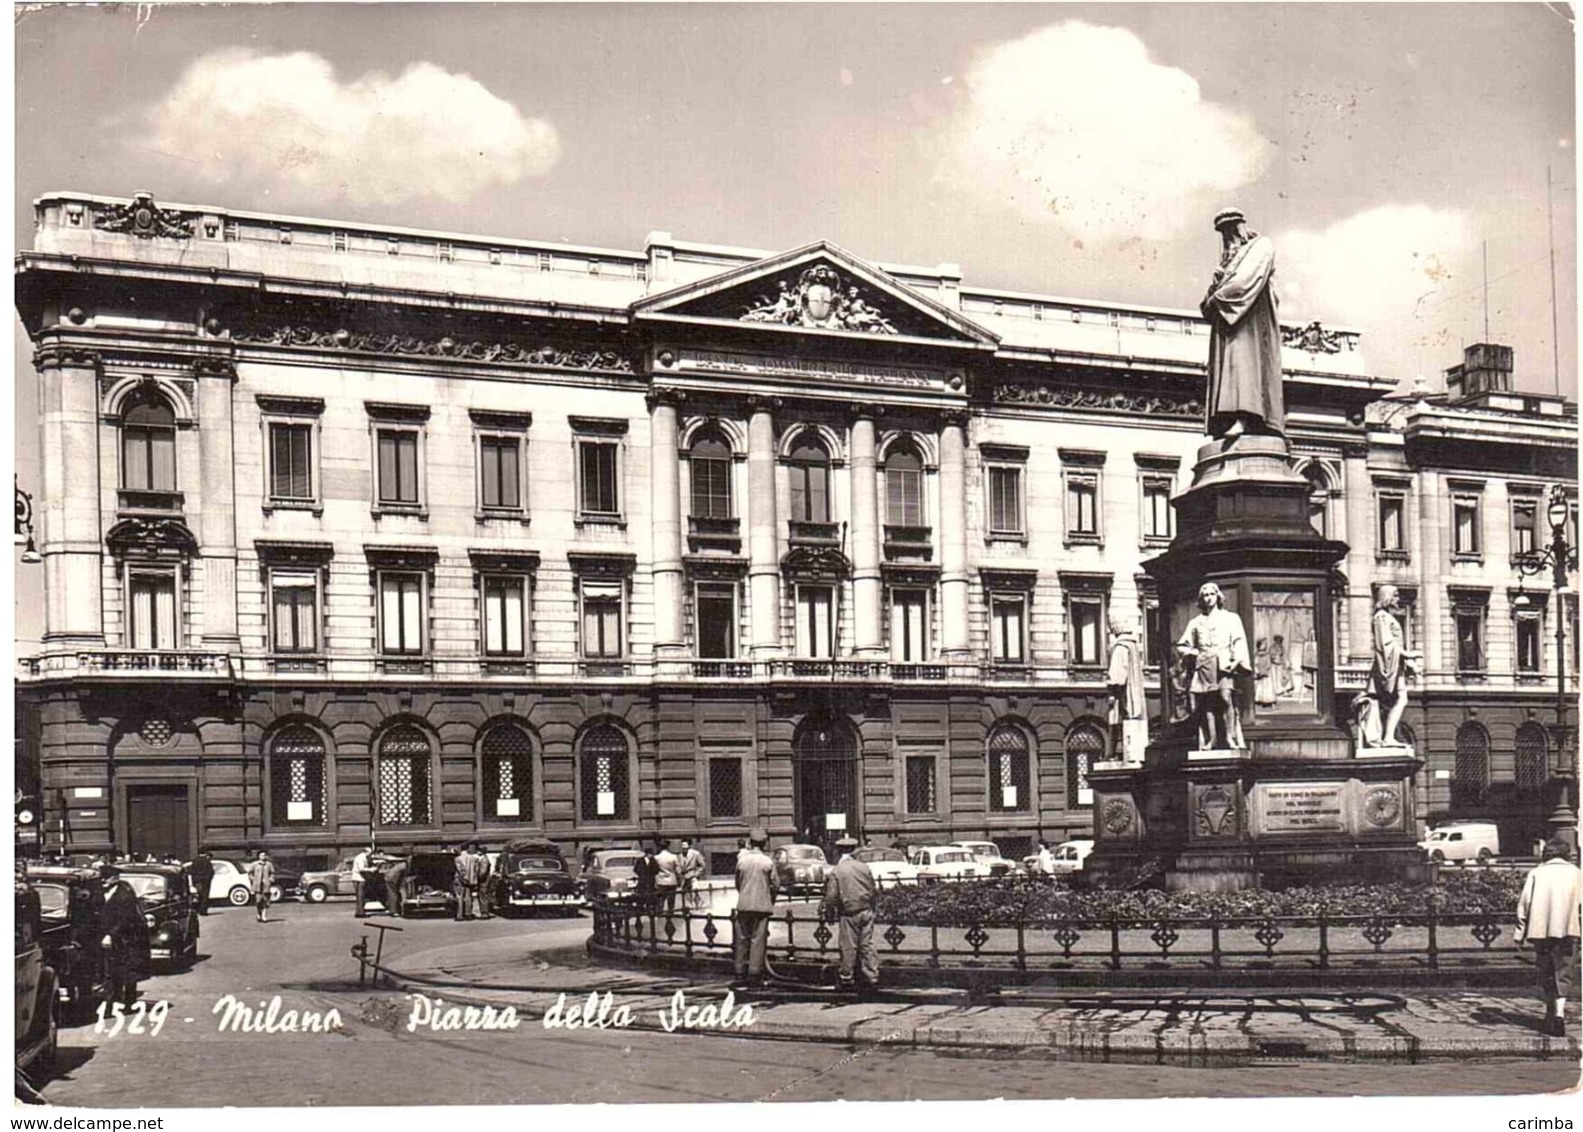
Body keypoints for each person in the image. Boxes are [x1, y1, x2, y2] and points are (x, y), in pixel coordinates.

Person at [1200, 208, 1284, 440]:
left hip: (1250, 321)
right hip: (1228, 323)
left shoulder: (1260, 246)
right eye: (1223, 233)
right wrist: (1215, 287)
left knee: (1244, 366)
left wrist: (1216, 299)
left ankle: (1246, 417)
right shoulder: (1226, 263)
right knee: (1230, 368)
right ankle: (1228, 418)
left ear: (1240, 226)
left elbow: (1243, 283)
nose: (1227, 237)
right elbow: (1208, 300)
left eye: (1230, 229)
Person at [1514, 837, 1581, 1038]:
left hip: (1541, 932)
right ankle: (1559, 1014)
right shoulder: (1576, 874)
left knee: (1547, 971)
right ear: (1566, 853)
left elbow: (1524, 905)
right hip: (1568, 931)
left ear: (1547, 853)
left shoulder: (1537, 873)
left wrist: (1519, 933)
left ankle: (1549, 1013)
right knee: (1564, 972)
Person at [1175, 582, 1251, 750]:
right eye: (1205, 595)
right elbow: (1182, 645)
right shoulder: (1196, 622)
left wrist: (1236, 660)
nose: (1209, 598)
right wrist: (1194, 653)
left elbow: (1239, 640)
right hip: (1204, 665)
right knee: (1207, 703)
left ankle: (1231, 738)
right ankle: (1212, 739)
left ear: (1218, 596)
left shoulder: (1230, 618)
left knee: (1225, 699)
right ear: (1201, 599)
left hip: (1223, 664)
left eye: (1212, 594)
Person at [821, 835, 879, 993]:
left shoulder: (838, 870)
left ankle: (846, 977)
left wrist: (829, 912)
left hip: (849, 912)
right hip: (866, 909)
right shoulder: (864, 867)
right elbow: (873, 889)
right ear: (854, 850)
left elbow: (832, 896)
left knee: (848, 946)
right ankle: (872, 976)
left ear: (839, 850)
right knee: (867, 944)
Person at [1366, 584, 1421, 748]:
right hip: (1388, 665)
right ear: (1387, 597)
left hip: (1396, 666)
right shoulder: (1381, 617)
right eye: (1395, 595)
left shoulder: (1387, 617)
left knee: (1399, 699)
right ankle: (1388, 737)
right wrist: (1407, 654)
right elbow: (1385, 644)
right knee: (1400, 699)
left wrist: (1408, 662)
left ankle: (1389, 736)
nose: (1398, 599)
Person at [99, 865, 150, 1007]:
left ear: (115, 878)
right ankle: (111, 1002)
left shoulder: (125, 894)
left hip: (126, 938)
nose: (103, 880)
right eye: (102, 878)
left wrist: (111, 934)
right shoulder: (100, 892)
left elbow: (125, 918)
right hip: (107, 937)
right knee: (110, 971)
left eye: (107, 878)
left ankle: (128, 1001)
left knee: (127, 971)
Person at [734, 828, 778, 986]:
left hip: (744, 905)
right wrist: (770, 899)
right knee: (758, 940)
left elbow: (737, 883)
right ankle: (754, 972)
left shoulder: (742, 861)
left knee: (741, 939)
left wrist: (745, 894)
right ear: (765, 843)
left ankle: (739, 971)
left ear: (750, 842)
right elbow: (775, 885)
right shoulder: (767, 861)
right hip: (761, 905)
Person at [1106, 612, 1148, 764]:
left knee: (1115, 720)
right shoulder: (1133, 645)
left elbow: (1117, 673)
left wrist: (1112, 690)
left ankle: (1114, 753)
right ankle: (1132, 753)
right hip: (1134, 691)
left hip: (1122, 693)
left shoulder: (1121, 646)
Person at [654, 838, 682, 914]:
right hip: (672, 881)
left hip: (661, 881)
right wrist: (679, 879)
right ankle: (670, 913)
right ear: (668, 847)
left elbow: (654, 870)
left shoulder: (657, 858)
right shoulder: (673, 857)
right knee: (671, 900)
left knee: (660, 899)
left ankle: (659, 913)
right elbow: (678, 870)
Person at [633, 843, 661, 916]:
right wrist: (641, 874)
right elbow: (636, 869)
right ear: (647, 854)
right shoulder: (640, 860)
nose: (651, 855)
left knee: (650, 895)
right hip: (642, 880)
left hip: (650, 880)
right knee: (641, 895)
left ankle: (649, 909)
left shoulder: (653, 861)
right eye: (650, 854)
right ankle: (640, 909)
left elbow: (657, 870)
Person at [247, 850, 275, 923]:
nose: (263, 857)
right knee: (258, 901)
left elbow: (272, 873)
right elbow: (249, 873)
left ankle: (264, 915)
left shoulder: (269, 864)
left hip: (266, 885)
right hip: (257, 885)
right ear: (258, 856)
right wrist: (253, 879)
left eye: (264, 855)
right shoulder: (254, 864)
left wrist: (270, 880)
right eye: (261, 855)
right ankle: (258, 913)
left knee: (265, 901)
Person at [679, 838, 706, 907]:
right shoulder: (680, 855)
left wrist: (697, 873)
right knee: (686, 894)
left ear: (689, 845)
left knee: (695, 891)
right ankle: (690, 908)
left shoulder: (695, 853)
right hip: (684, 878)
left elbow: (703, 865)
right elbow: (678, 866)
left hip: (693, 876)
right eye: (682, 846)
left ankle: (699, 905)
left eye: (685, 845)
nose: (683, 847)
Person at [453, 844, 476, 921]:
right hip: (470, 880)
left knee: (460, 897)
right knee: (468, 897)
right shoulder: (472, 858)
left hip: (460, 880)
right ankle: (468, 914)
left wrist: (463, 878)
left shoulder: (458, 859)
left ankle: (460, 915)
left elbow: (460, 870)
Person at [351, 844, 373, 918]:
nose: (370, 855)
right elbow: (361, 869)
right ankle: (360, 913)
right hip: (359, 879)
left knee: (359, 897)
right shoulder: (361, 858)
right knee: (361, 896)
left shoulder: (360, 857)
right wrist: (370, 869)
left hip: (356, 878)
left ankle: (359, 912)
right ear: (366, 852)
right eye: (370, 853)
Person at [189, 851, 214, 916]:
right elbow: (211, 871)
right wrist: (209, 879)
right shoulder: (207, 861)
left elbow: (192, 872)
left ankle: (199, 909)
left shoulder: (195, 861)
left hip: (197, 880)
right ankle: (203, 910)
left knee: (199, 895)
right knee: (205, 896)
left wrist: (193, 881)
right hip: (205, 881)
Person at [473, 843, 494, 919]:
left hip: (484, 882)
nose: (477, 852)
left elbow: (483, 872)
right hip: (484, 881)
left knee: (483, 897)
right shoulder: (483, 859)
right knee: (482, 896)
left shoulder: (484, 860)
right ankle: (484, 912)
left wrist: (477, 878)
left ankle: (485, 913)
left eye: (478, 851)